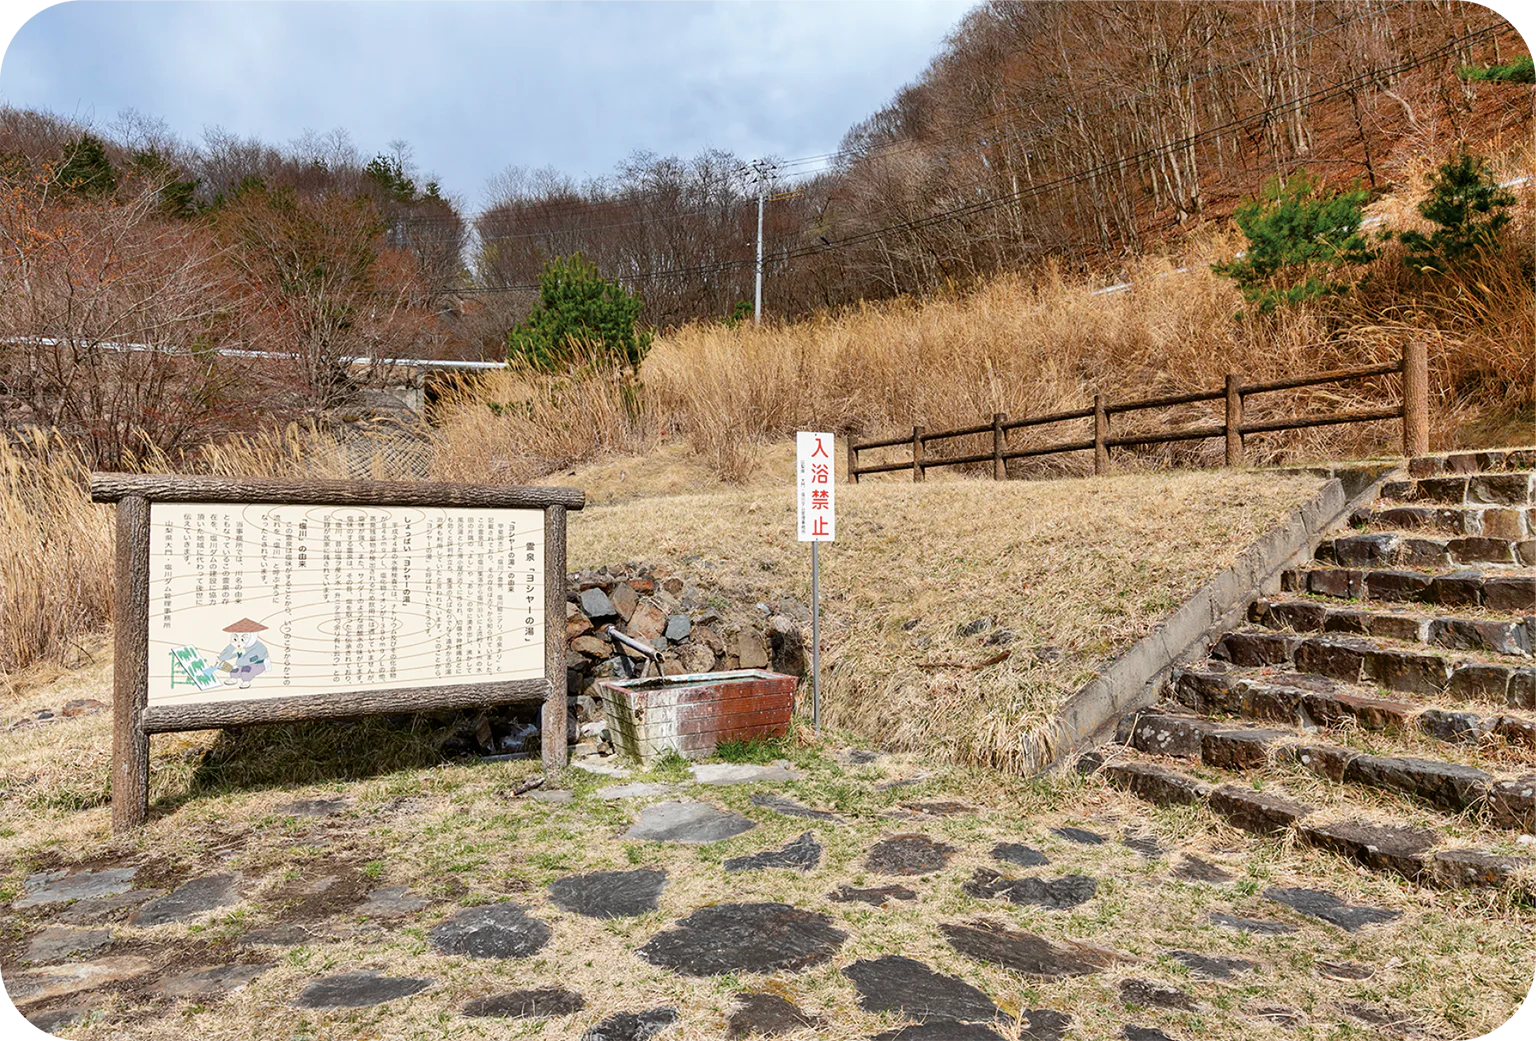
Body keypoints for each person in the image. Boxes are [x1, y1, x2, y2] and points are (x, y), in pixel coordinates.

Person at [216, 618, 270, 688]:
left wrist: (240, 663)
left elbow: (254, 658)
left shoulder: (258, 647)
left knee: (246, 671)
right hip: (241, 664)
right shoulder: (236, 645)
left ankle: (246, 681)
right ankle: (234, 678)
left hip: (257, 664)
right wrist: (221, 659)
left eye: (242, 639)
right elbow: (228, 651)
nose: (238, 642)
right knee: (235, 670)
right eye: (235, 639)